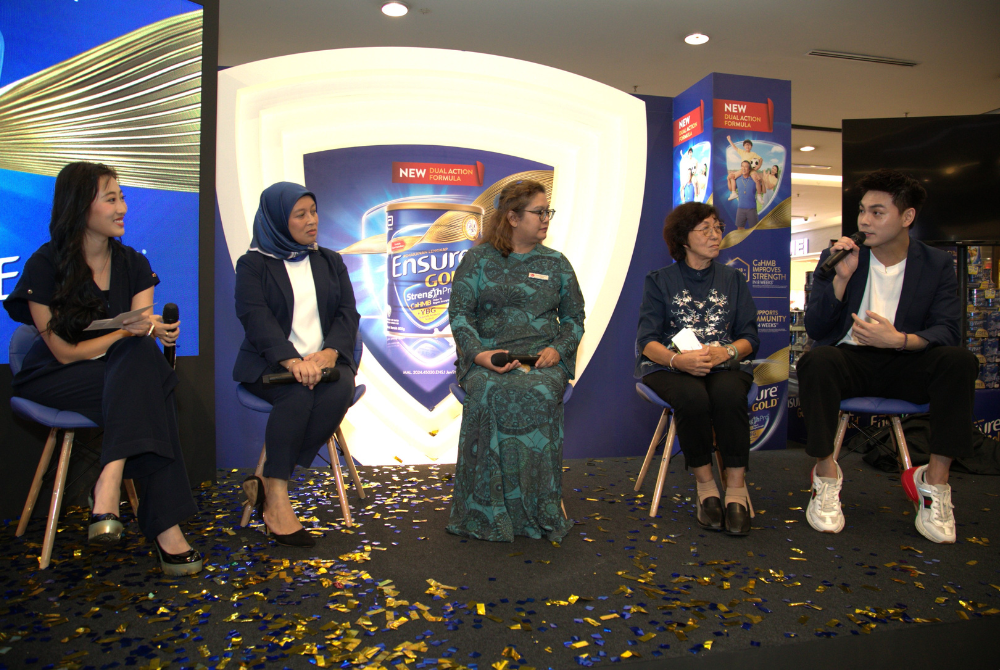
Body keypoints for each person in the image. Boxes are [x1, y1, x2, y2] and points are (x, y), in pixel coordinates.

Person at [3, 162, 201, 575]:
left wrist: (154, 333)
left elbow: (141, 332)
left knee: (142, 362)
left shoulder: (133, 264)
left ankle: (108, 481)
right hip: (56, 376)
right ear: (80, 207)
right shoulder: (46, 264)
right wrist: (124, 334)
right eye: (111, 198)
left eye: (122, 197)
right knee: (151, 384)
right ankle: (166, 531)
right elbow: (61, 352)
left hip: (121, 373)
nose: (122, 208)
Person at [799, 169, 979, 544]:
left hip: (906, 359)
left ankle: (935, 482)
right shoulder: (841, 257)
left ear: (907, 217)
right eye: (863, 210)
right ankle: (825, 475)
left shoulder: (936, 264)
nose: (865, 220)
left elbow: (948, 330)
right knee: (817, 361)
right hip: (852, 360)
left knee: (959, 361)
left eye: (877, 212)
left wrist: (899, 340)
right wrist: (840, 279)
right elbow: (816, 328)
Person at [446, 179, 585, 543]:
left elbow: (574, 319)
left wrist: (559, 349)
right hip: (486, 359)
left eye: (547, 212)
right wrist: (480, 355)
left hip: (542, 362)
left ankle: (538, 509)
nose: (546, 219)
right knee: (492, 393)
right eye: (539, 212)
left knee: (536, 393)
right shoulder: (476, 260)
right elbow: (460, 315)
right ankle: (486, 509)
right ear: (511, 217)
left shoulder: (557, 264)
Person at [234, 182, 360, 548]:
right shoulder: (253, 264)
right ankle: (277, 498)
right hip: (268, 366)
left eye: (314, 211)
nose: (312, 221)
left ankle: (270, 484)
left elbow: (347, 314)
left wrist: (329, 354)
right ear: (277, 220)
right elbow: (255, 318)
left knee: (339, 389)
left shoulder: (330, 260)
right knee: (297, 398)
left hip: (325, 364)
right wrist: (292, 361)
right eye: (300, 214)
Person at [635, 202, 759, 535]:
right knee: (692, 398)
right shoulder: (660, 280)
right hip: (670, 366)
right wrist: (679, 360)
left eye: (717, 227)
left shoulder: (733, 279)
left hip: (724, 365)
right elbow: (647, 341)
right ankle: (706, 488)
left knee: (729, 394)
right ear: (683, 238)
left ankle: (735, 489)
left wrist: (726, 352)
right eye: (705, 229)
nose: (715, 235)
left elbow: (750, 337)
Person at [733, 161, 763, 230]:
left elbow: (760, 190)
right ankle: (742, 241)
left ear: (749, 169)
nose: (744, 168)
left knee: (754, 229)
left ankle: (754, 241)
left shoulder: (753, 180)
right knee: (739, 229)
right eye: (742, 166)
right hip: (740, 208)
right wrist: (729, 179)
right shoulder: (737, 179)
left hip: (752, 209)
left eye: (746, 166)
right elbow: (731, 188)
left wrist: (759, 181)